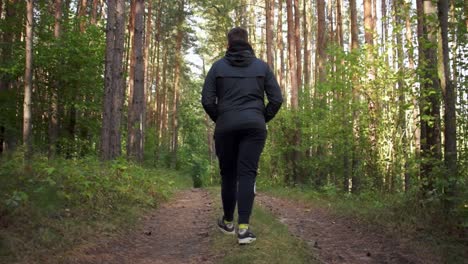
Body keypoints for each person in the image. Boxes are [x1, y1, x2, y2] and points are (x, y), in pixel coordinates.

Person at [201, 27, 283, 245]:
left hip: (226, 126)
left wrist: (223, 118)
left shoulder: (217, 67)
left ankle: (228, 223)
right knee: (247, 174)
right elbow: (277, 99)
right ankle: (244, 230)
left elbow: (207, 100)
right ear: (248, 43)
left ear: (228, 44)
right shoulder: (261, 67)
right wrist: (260, 118)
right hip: (254, 126)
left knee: (228, 175)